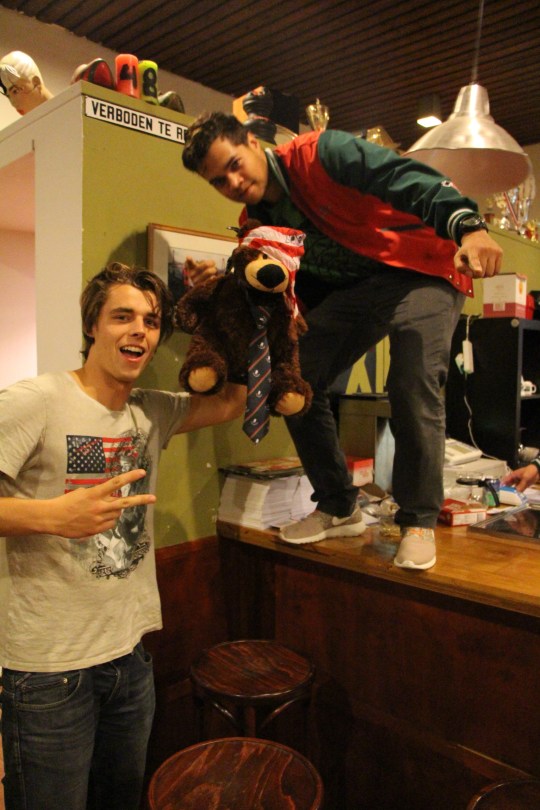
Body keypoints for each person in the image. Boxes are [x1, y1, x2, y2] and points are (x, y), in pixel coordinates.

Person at [181, 111, 504, 571]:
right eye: (218, 180)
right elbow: (271, 284)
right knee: (295, 377)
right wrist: (216, 284)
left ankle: (417, 520)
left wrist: (468, 227)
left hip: (423, 266)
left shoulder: (321, 154)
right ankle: (338, 506)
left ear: (253, 143)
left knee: (411, 380)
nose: (233, 182)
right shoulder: (254, 223)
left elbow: (407, 178)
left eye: (234, 165)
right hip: (359, 290)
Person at [0, 261, 245, 810]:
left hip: (130, 657)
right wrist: (51, 516)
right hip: (49, 672)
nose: (139, 330)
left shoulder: (151, 411)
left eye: (151, 321)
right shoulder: (35, 400)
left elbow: (231, 402)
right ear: (92, 325)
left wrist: (240, 312)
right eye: (122, 317)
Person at [0, 50, 53, 116]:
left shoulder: (65, 111)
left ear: (36, 82)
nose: (13, 103)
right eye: (9, 96)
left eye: (15, 91)